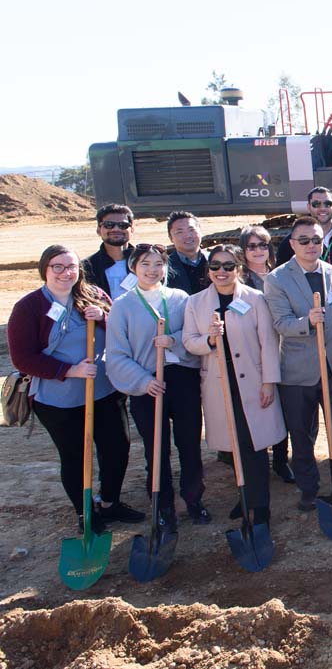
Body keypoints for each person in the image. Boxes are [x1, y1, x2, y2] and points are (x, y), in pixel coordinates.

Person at [7, 246, 142, 532]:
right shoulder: (28, 307)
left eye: (71, 266)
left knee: (116, 448)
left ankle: (110, 503)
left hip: (104, 392)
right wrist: (70, 371)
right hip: (58, 400)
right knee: (74, 456)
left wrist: (104, 317)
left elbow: (120, 331)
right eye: (57, 266)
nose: (65, 272)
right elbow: (22, 357)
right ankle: (85, 512)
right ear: (44, 269)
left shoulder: (94, 296)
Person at [264, 216, 332, 511]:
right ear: (293, 244)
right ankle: (309, 490)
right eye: (304, 241)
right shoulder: (277, 279)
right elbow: (281, 323)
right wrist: (306, 321)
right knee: (302, 434)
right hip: (297, 371)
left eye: (316, 240)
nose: (311, 246)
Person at [184, 245, 286, 529]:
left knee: (253, 445)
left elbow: (268, 342)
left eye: (229, 266)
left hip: (251, 383)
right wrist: (208, 340)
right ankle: (244, 495)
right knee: (232, 447)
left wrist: (269, 382)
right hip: (219, 384)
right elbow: (188, 340)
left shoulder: (255, 299)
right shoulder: (196, 303)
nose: (221, 272)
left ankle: (259, 504)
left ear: (239, 269)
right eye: (215, 266)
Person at [106, 243, 208, 528]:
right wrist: (143, 381)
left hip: (182, 379)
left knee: (189, 444)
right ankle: (163, 505)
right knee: (156, 448)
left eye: (158, 264)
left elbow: (192, 334)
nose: (152, 270)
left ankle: (194, 499)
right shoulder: (122, 306)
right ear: (133, 267)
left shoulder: (179, 298)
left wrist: (173, 339)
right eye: (145, 264)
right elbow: (116, 354)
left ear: (166, 267)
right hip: (148, 383)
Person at [239, 225, 294, 483]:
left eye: (262, 245)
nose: (258, 251)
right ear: (243, 251)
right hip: (254, 352)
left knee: (283, 406)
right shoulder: (240, 281)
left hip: (284, 347)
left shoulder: (279, 276)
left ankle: (281, 460)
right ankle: (255, 461)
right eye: (252, 246)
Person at [275, 187, 332, 270]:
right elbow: (280, 275)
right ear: (309, 207)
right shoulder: (292, 242)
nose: (322, 208)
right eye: (316, 204)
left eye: (327, 204)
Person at [82, 204, 136, 300]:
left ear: (132, 230)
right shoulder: (86, 267)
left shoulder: (147, 261)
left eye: (123, 225)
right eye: (109, 225)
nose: (116, 229)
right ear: (98, 230)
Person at [166, 211, 209, 294]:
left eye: (191, 230)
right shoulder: (166, 267)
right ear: (171, 238)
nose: (188, 236)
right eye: (180, 232)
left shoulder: (214, 261)